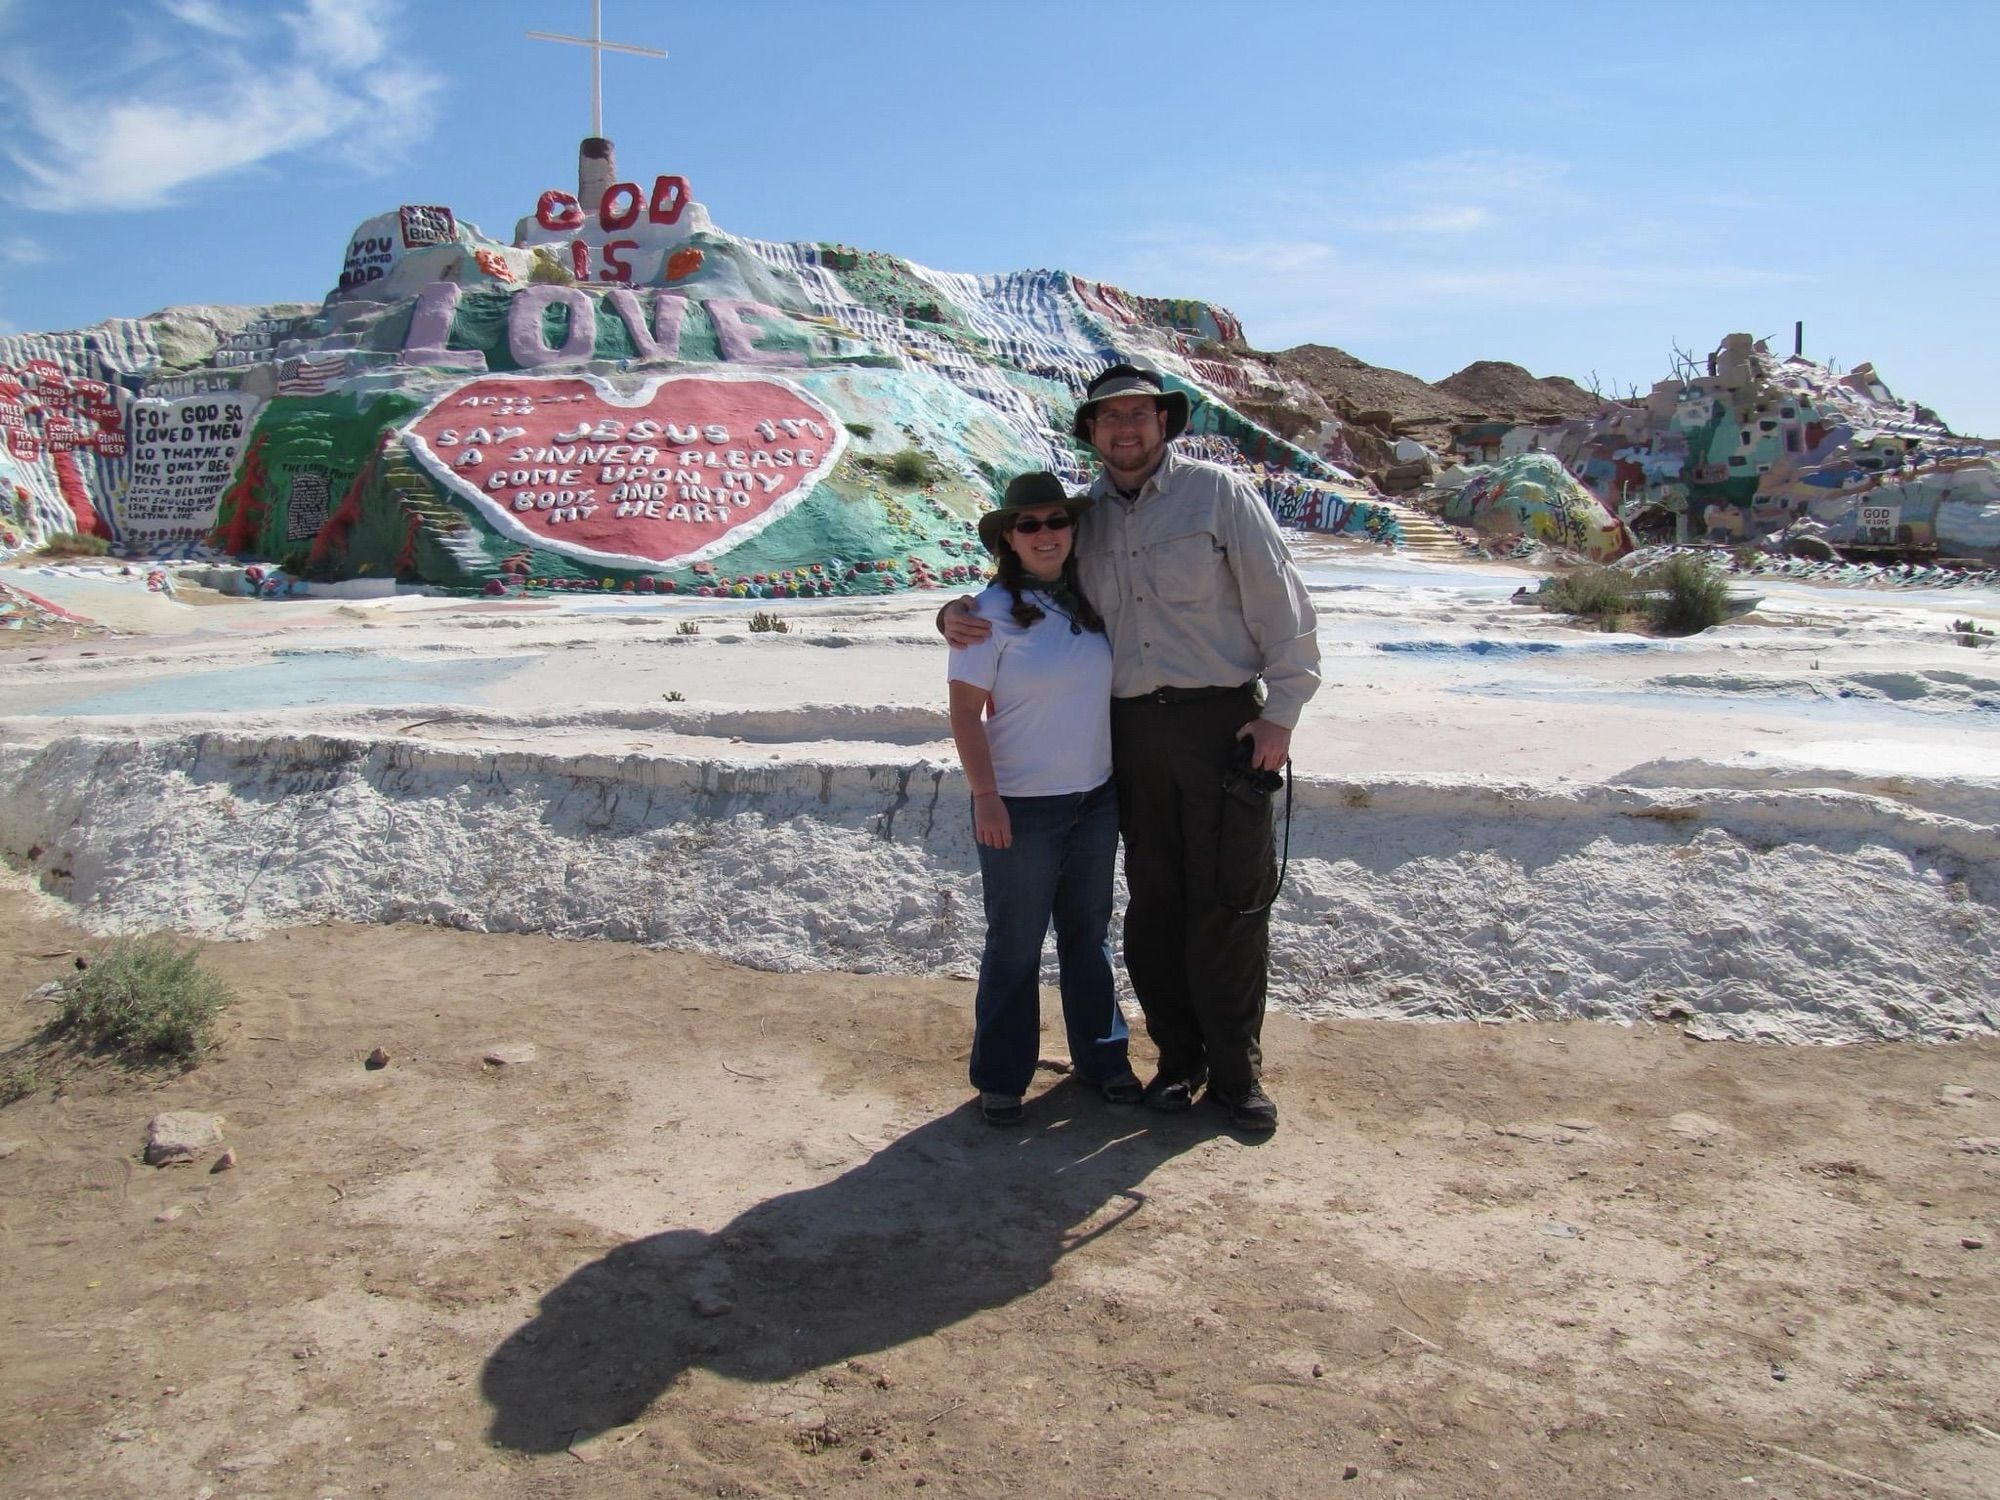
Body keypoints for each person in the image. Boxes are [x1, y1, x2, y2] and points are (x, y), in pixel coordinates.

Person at [943, 362, 1320, 1133]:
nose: (1125, 430)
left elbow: (1284, 606)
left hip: (1222, 725)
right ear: (1090, 431)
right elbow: (1024, 582)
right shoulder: (1086, 521)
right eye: (1108, 418)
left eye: (1139, 415)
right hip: (1131, 739)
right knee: (1154, 906)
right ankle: (1177, 1062)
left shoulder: (1219, 495)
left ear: (1164, 423)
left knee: (1231, 902)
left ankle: (1237, 1073)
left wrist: (1282, 711)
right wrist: (951, 614)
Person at [947, 470, 1144, 1127]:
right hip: (1023, 806)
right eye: (1029, 524)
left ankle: (1104, 1061)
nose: (1045, 534)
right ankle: (1002, 1077)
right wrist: (986, 796)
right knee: (1016, 943)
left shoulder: (1090, 599)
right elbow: (965, 716)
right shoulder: (984, 616)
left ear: (1072, 527)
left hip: (1095, 799)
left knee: (1089, 935)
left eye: (1056, 520)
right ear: (1008, 537)